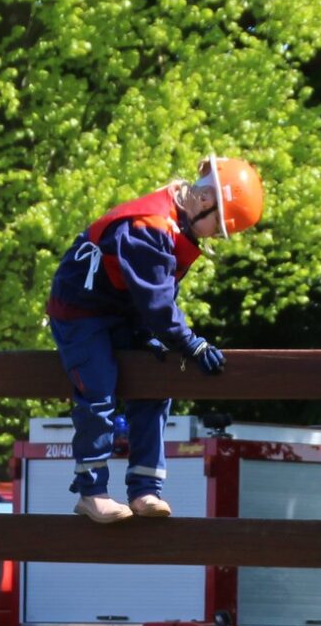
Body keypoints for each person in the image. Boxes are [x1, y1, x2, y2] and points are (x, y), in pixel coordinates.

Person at [45, 156, 264, 523]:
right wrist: (191, 343)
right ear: (205, 200)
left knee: (155, 383)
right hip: (81, 313)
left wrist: (161, 339)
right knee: (97, 390)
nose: (214, 236)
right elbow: (157, 304)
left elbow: (152, 296)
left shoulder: (177, 224)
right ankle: (91, 492)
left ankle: (145, 490)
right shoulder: (150, 226)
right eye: (218, 227)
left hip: (119, 312)